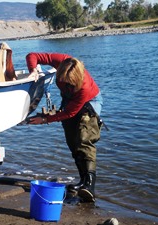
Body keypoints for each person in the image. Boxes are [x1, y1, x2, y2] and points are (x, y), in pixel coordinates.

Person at [26, 52, 103, 202]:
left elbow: (70, 113)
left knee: (83, 139)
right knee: (72, 141)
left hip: (90, 102)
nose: (64, 83)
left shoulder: (84, 88)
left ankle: (89, 186)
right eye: (62, 80)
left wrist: (45, 119)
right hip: (69, 100)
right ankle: (82, 181)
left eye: (69, 83)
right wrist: (33, 70)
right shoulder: (61, 60)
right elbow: (32, 55)